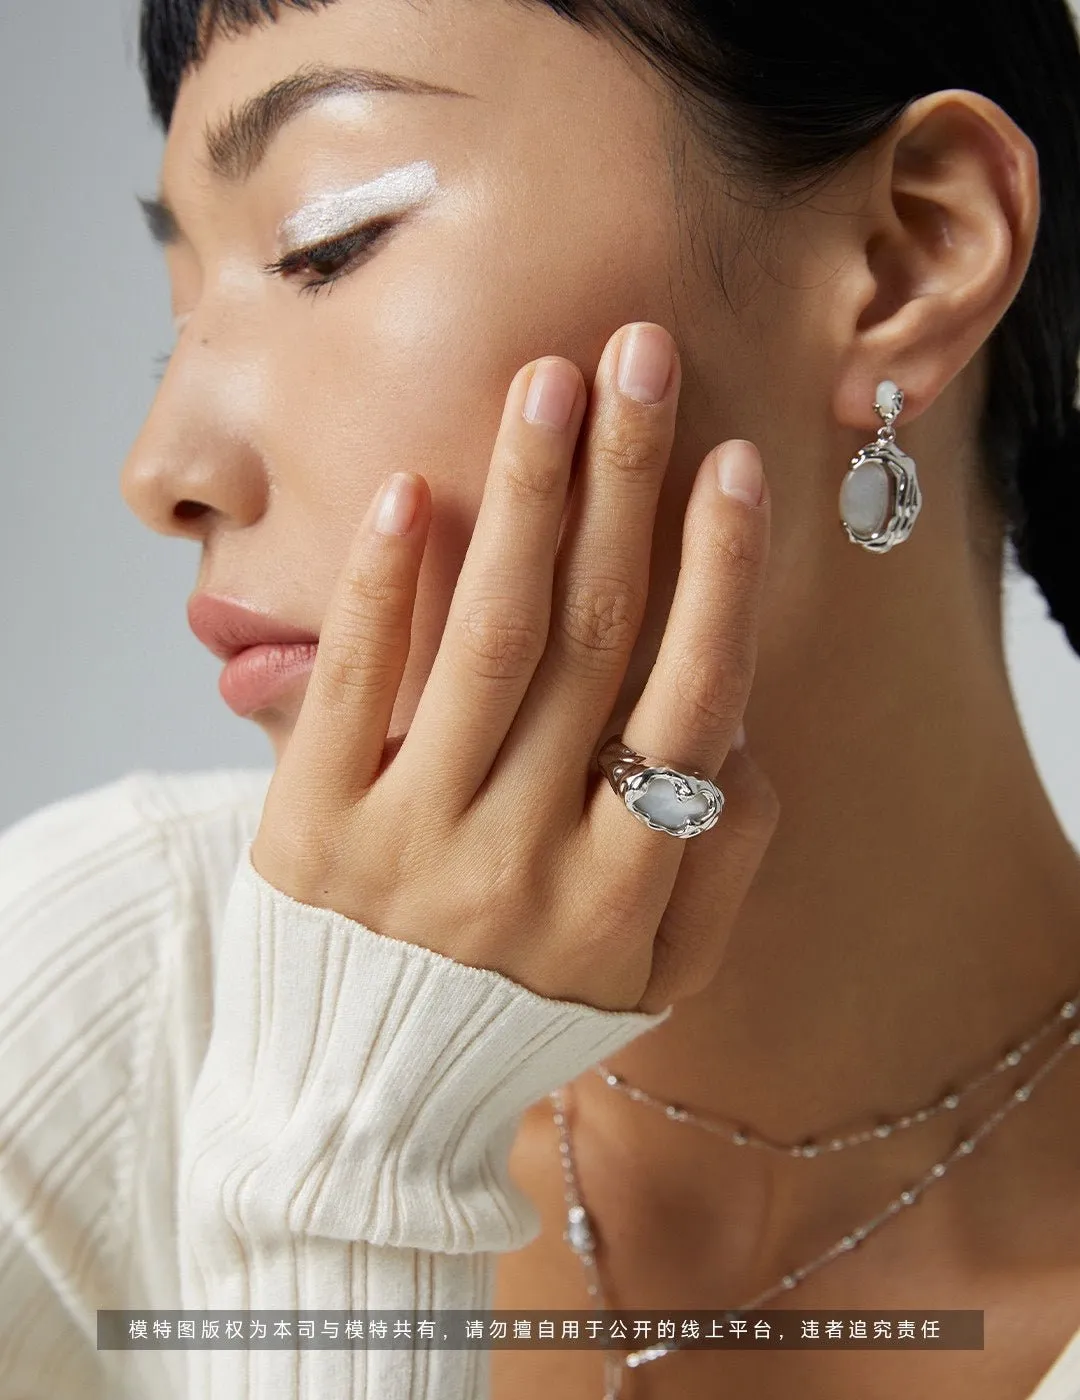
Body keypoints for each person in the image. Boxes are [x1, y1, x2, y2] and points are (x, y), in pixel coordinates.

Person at [2, 0, 1080, 1395]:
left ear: (906, 257)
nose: (164, 469)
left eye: (325, 248)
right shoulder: (97, 1002)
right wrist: (354, 1143)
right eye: (185, 321)